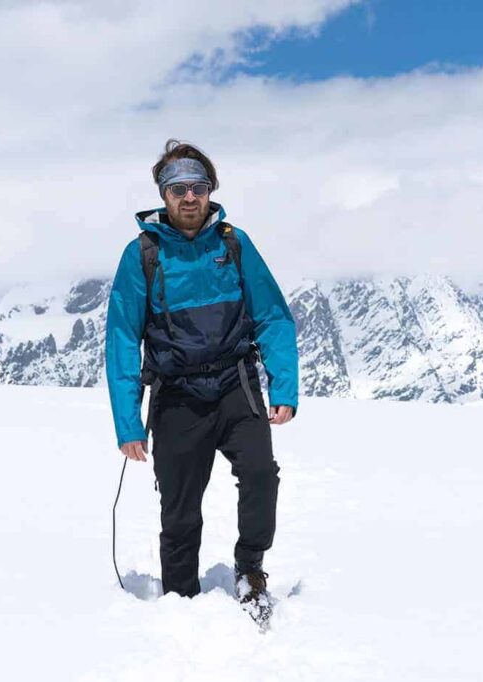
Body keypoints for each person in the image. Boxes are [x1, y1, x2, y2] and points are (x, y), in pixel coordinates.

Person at [105, 139, 299, 614]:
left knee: (260, 475)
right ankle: (179, 599)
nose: (189, 197)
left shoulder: (234, 244)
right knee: (179, 507)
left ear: (211, 190)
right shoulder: (143, 255)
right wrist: (128, 422)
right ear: (163, 195)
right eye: (178, 189)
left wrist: (284, 385)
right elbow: (123, 339)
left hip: (236, 384)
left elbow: (272, 316)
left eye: (198, 187)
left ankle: (250, 568)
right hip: (176, 395)